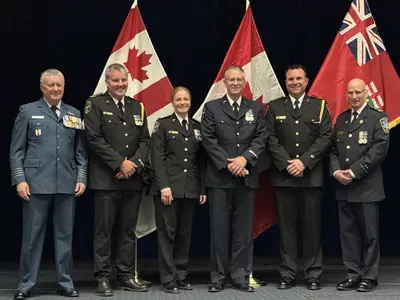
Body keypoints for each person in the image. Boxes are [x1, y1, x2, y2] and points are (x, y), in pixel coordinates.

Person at [10, 69, 87, 300]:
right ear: (42, 87)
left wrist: (81, 177)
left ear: (64, 86)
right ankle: (26, 285)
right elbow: (16, 151)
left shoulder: (73, 113)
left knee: (65, 237)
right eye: (51, 85)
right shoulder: (28, 111)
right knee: (32, 238)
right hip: (35, 184)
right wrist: (20, 179)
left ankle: (65, 283)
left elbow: (81, 152)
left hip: (66, 182)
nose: (55, 89)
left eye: (59, 85)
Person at [83, 63, 150, 296]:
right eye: (115, 81)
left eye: (123, 80)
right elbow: (93, 138)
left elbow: (145, 141)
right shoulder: (96, 104)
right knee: (104, 231)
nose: (120, 84)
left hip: (132, 180)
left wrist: (133, 165)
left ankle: (125, 275)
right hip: (106, 180)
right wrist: (119, 163)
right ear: (107, 82)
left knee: (128, 230)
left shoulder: (137, 106)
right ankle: (102, 277)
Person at [201, 65, 267, 293]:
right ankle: (218, 277)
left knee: (243, 233)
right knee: (219, 232)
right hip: (220, 179)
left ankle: (241, 277)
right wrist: (231, 164)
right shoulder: (212, 108)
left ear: (244, 82)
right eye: (232, 80)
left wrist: (245, 160)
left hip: (246, 178)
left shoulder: (256, 109)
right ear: (225, 83)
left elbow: (261, 138)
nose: (236, 83)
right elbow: (208, 140)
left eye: (239, 79)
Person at [266, 64, 332, 290]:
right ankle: (288, 273)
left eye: (298, 79)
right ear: (286, 82)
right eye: (290, 79)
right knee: (287, 229)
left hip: (310, 176)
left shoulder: (319, 106)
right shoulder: (274, 107)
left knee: (312, 228)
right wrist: (287, 164)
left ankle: (313, 274)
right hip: (284, 177)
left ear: (306, 81)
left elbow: (325, 137)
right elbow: (270, 139)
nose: (294, 82)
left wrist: (304, 161)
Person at [331, 78, 389, 292]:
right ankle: (353, 273)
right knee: (348, 233)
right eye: (350, 93)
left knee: (369, 235)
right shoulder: (342, 119)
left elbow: (379, 150)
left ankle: (370, 276)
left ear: (366, 93)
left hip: (367, 187)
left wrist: (354, 172)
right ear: (346, 95)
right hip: (344, 187)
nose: (354, 97)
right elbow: (334, 150)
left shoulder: (377, 118)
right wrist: (336, 171)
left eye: (358, 92)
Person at [150, 86, 207, 294]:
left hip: (190, 189)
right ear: (172, 102)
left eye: (186, 99)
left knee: (185, 234)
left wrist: (201, 188)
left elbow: (201, 161)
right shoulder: (163, 125)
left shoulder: (197, 127)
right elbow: (157, 158)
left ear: (190, 102)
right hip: (168, 190)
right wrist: (163, 186)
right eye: (178, 100)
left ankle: (181, 275)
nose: (182, 103)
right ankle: (168, 278)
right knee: (167, 234)